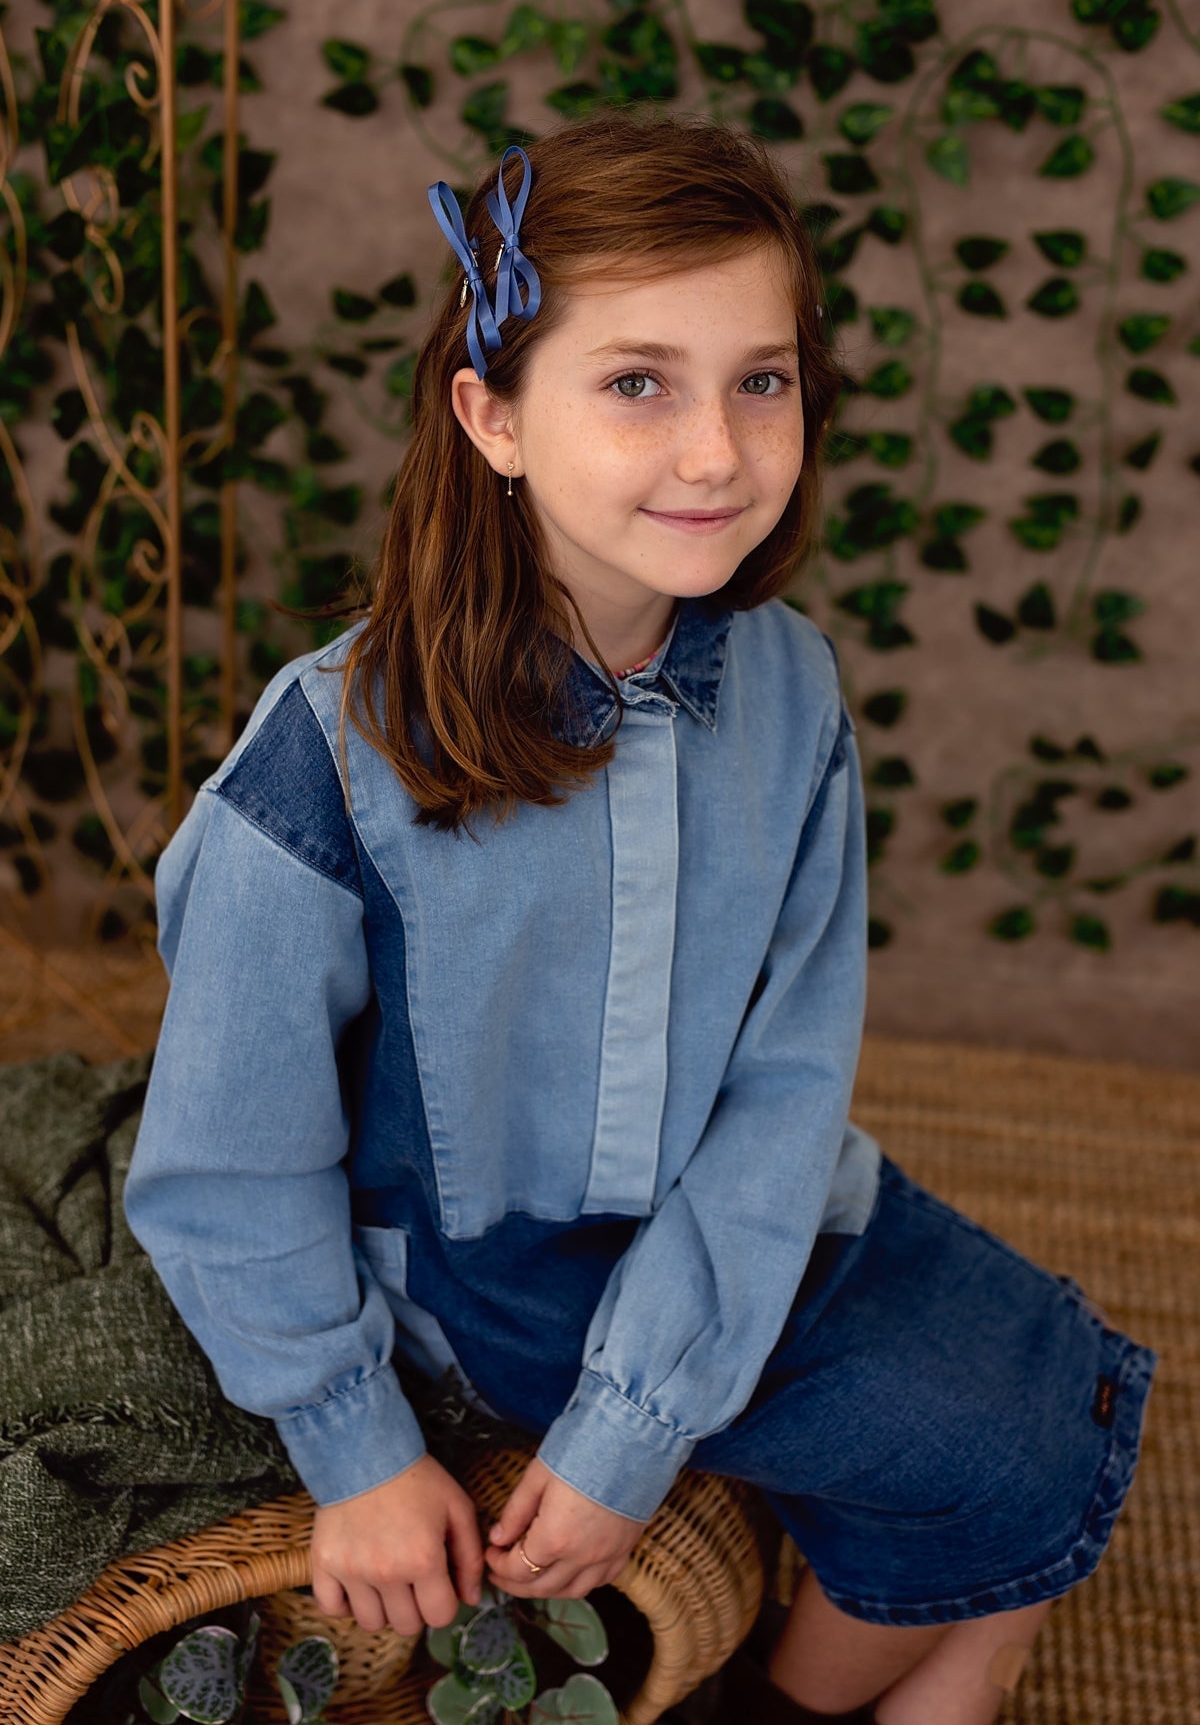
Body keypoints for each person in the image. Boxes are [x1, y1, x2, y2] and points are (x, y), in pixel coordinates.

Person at [124, 113, 1158, 1725]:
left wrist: (644, 1422)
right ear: (493, 415)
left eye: (763, 380)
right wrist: (360, 1446)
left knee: (1053, 1414)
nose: (718, 453)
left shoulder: (792, 689)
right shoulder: (330, 757)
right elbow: (230, 1156)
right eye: (637, 383)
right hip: (493, 1287)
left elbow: (789, 1075)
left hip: (740, 1212)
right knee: (1005, 1473)